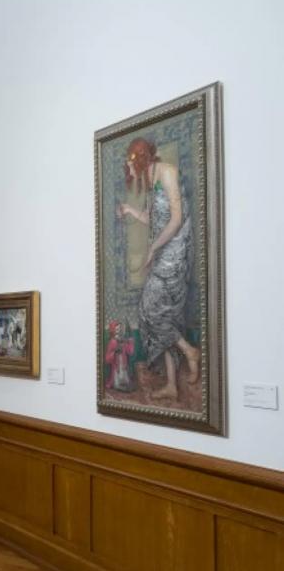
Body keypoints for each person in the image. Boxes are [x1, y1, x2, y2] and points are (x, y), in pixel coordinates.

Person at [115, 138, 199, 400]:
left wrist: (152, 249)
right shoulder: (150, 181)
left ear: (139, 159)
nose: (129, 173)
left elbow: (176, 220)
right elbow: (152, 218)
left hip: (175, 252)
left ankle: (189, 350)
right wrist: (130, 209)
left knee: (148, 310)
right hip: (162, 251)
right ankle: (172, 384)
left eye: (130, 166)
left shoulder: (167, 172)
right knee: (165, 315)